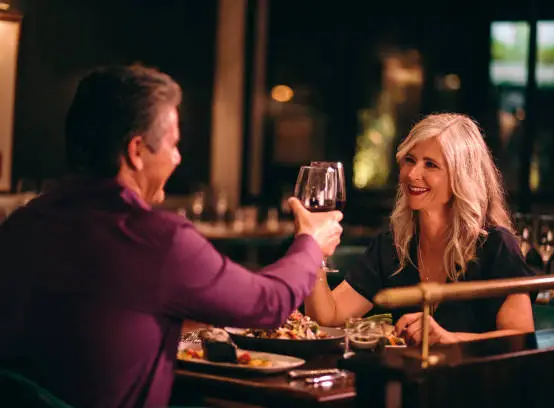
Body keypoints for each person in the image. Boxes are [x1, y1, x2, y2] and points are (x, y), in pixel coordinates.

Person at [0, 65, 343, 408]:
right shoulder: (157, 240)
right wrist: (310, 244)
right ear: (136, 151)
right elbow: (269, 304)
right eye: (173, 144)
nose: (177, 158)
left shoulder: (22, 225)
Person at [305, 113, 535, 345]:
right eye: (410, 160)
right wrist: (312, 248)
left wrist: (448, 338)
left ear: (462, 176)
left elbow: (521, 337)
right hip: (402, 379)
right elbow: (327, 317)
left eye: (431, 165)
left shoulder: (496, 246)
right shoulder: (393, 245)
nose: (413, 174)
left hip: (471, 379)